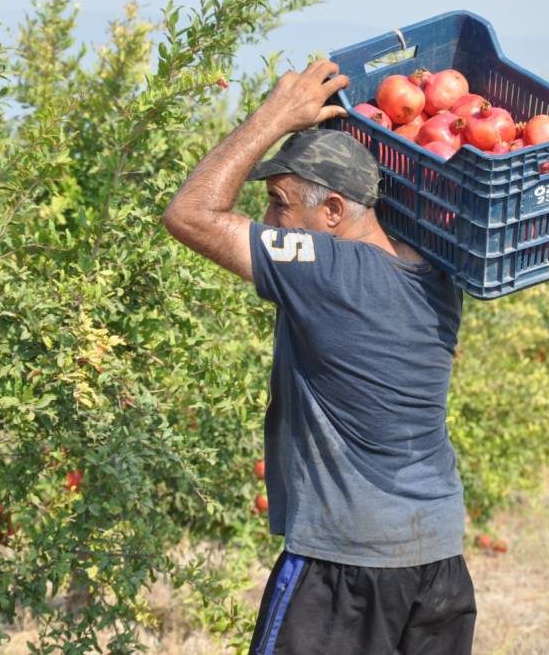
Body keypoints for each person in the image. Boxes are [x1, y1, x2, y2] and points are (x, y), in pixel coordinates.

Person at [162, 59, 475, 655]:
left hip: (347, 567)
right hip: (437, 563)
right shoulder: (435, 274)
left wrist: (275, 116)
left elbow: (191, 214)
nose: (270, 222)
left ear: (333, 211)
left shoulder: (328, 270)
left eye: (280, 203)